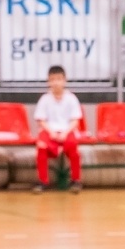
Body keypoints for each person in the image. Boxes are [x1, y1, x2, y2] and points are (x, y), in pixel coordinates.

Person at [32, 65, 83, 193]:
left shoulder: (71, 98)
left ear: (64, 80)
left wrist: (65, 133)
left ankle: (75, 181)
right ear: (48, 81)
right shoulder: (44, 99)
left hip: (67, 131)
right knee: (41, 146)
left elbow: (75, 120)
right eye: (53, 79)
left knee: (74, 150)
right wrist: (51, 133)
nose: (56, 82)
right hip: (49, 131)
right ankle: (43, 181)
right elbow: (41, 120)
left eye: (59, 79)